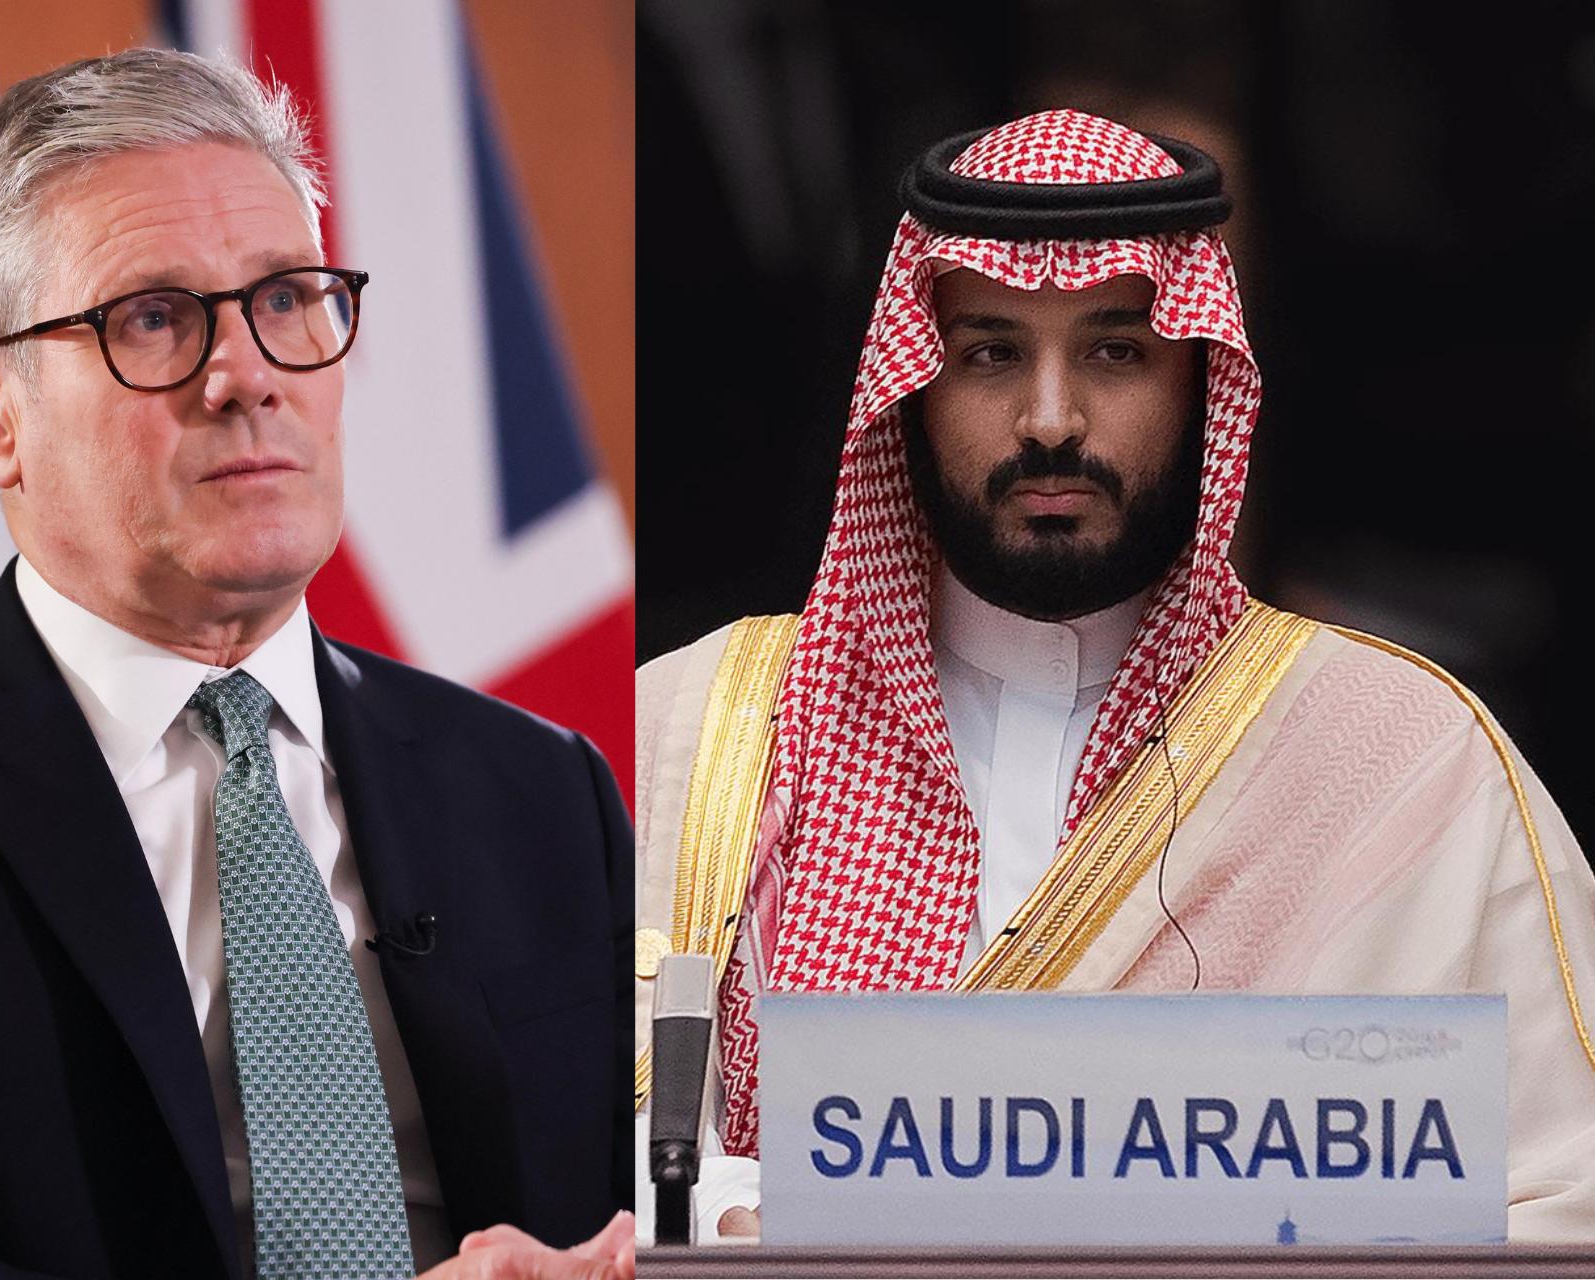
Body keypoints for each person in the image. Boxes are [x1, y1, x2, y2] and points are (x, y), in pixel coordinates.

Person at [0, 49, 632, 1280]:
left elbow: (656, 1190)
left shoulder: (543, 789)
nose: (247, 377)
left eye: (288, 297)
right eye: (152, 319)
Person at [633, 108, 1595, 1243]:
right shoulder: (684, 733)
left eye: (1115, 350)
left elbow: (1555, 1201)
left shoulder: (1413, 761)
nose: (1051, 420)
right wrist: (746, 1213)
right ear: (910, 389)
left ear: (1202, 384)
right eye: (988, 351)